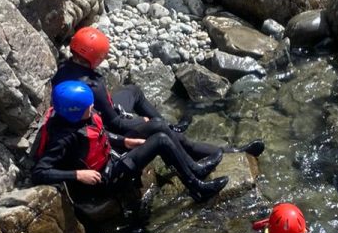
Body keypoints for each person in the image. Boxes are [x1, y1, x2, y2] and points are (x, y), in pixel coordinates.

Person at [54, 26, 265, 169]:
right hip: (103, 126)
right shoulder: (94, 85)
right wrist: (140, 121)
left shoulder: (64, 69)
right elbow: (115, 123)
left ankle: (169, 127)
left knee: (133, 91)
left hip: (89, 114)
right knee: (163, 130)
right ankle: (227, 152)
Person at [30, 80, 228, 203]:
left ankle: (194, 167)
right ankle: (198, 188)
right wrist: (77, 175)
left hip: (113, 159)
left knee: (157, 126)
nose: (92, 107)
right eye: (87, 106)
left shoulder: (82, 118)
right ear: (72, 112)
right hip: (105, 180)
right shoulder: (63, 138)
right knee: (160, 141)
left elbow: (100, 134)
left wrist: (125, 142)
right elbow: (40, 173)